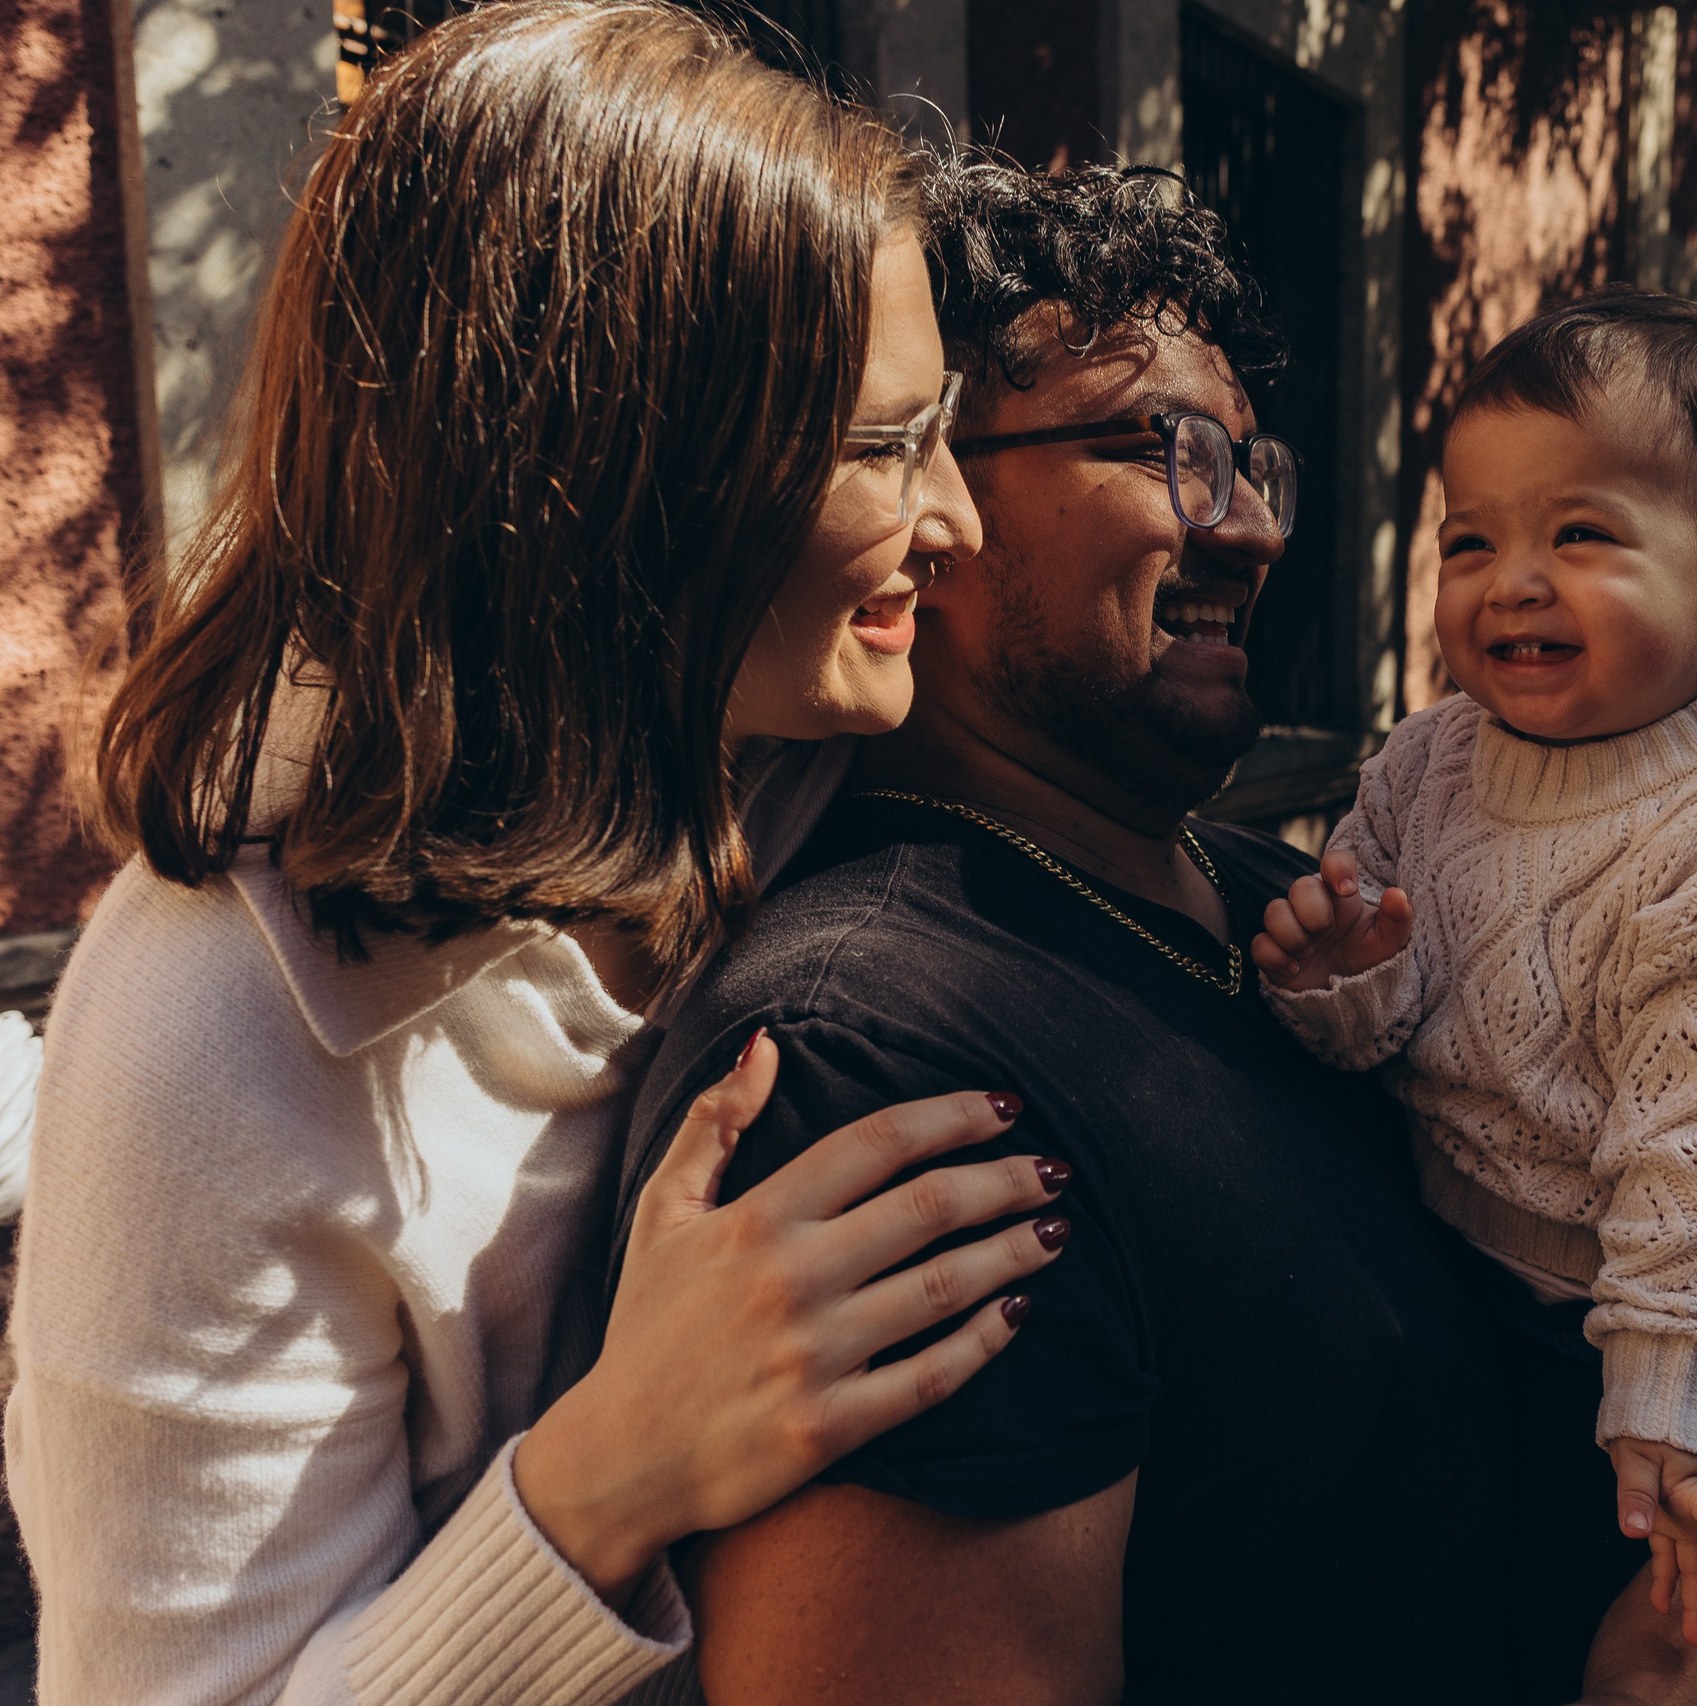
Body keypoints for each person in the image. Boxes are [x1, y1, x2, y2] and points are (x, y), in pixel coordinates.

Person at [614, 160, 1697, 1706]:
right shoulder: (882, 1069)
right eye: (1168, 450)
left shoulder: (1303, 908)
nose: (1256, 526)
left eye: (1249, 457)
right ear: (928, 489)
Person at [6, 7, 1068, 1702]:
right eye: (882, 447)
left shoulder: (787, 746)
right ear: (620, 479)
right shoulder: (208, 1031)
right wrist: (613, 1472)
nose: (955, 521)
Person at [1249, 293, 1697, 1645]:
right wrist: (1350, 974)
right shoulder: (1429, 757)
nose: (1512, 580)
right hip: (1481, 1246)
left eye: (1580, 534)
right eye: (1470, 540)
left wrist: (1666, 1396)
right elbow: (1387, 1015)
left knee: (1596, 1594)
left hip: (1682, 1288)